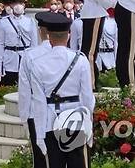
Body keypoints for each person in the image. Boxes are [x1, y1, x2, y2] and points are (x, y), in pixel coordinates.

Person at [30, 13, 95, 168]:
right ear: (68, 36)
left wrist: (39, 134)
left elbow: (38, 102)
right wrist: (89, 126)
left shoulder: (38, 63)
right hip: (75, 120)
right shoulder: (80, 60)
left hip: (50, 122)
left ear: (49, 37)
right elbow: (87, 97)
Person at [18, 11, 53, 168]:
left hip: (36, 111)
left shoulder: (30, 55)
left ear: (40, 32)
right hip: (62, 111)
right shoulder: (73, 56)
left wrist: (24, 116)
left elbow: (25, 89)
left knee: (40, 157)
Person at [0, 0, 38, 86]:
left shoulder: (30, 21)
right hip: (9, 58)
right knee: (9, 86)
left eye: (20, 3)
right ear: (10, 5)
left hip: (25, 57)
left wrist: (33, 61)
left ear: (24, 5)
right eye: (15, 3)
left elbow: (34, 43)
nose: (18, 6)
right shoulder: (1, 22)